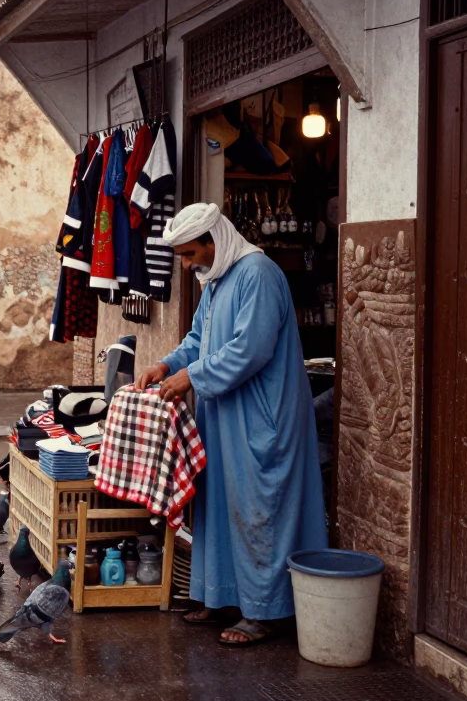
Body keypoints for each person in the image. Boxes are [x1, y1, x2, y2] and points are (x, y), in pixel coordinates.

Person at [135, 202, 326, 648]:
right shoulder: (217, 282)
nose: (185, 266)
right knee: (220, 504)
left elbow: (250, 349)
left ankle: (265, 612)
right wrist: (167, 365)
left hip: (263, 417)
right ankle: (220, 597)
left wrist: (192, 377)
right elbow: (200, 339)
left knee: (262, 510)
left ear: (212, 242)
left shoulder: (258, 274)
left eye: (188, 255)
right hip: (225, 416)